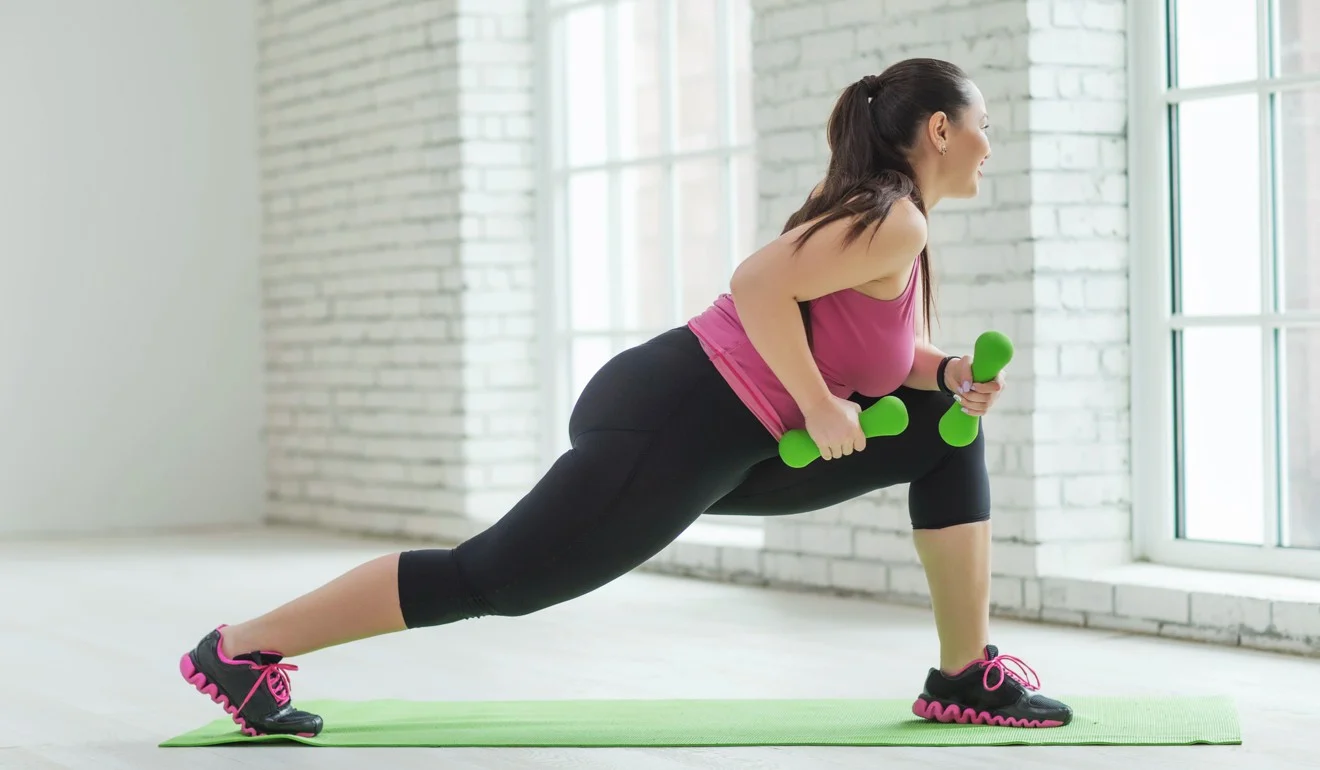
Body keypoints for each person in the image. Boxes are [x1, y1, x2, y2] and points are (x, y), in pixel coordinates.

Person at [178, 57, 1073, 737]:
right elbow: (757, 285)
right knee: (495, 579)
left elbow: (867, 349)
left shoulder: (890, 224)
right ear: (943, 131)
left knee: (944, 431)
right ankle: (243, 649)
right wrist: (823, 404)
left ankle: (963, 675)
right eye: (985, 124)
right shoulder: (894, 217)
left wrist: (947, 373)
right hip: (680, 414)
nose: (993, 144)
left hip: (739, 439)